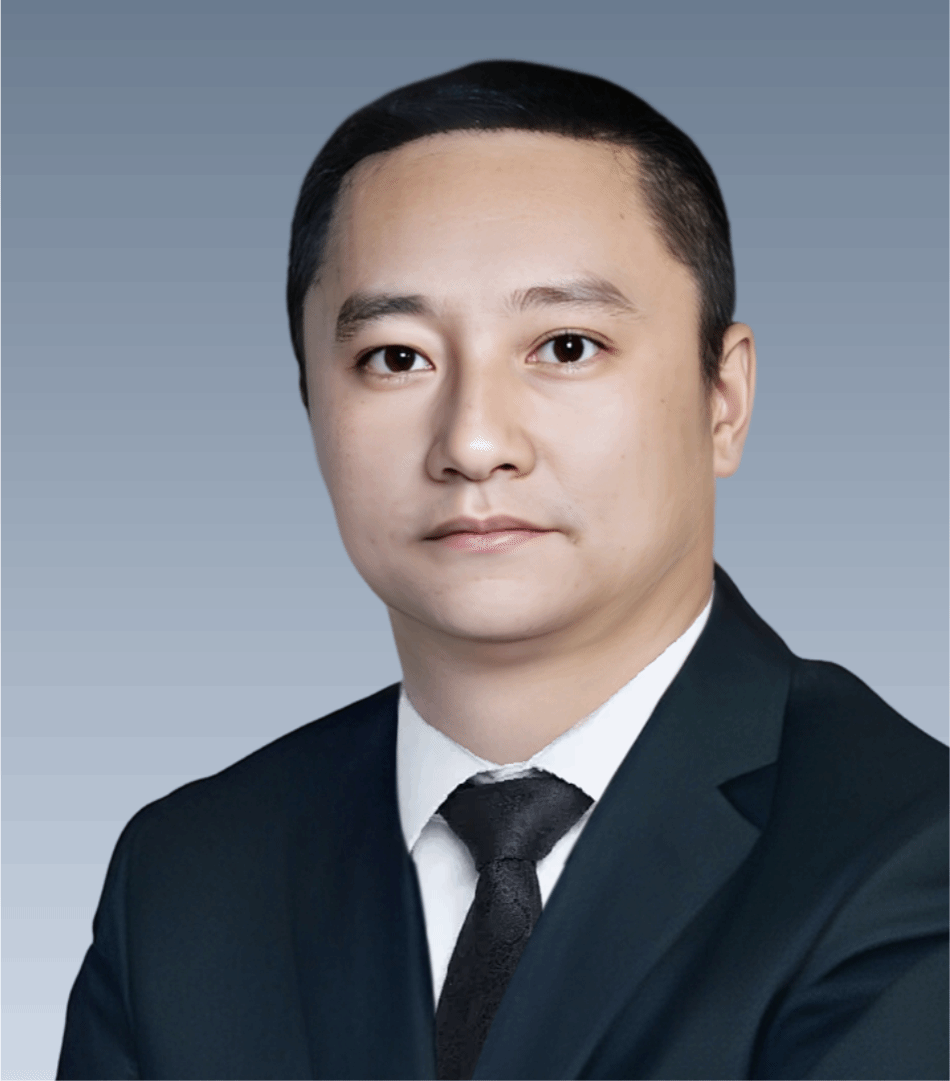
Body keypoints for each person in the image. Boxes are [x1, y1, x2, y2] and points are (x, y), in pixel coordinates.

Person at [57, 60, 947, 1081]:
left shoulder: (906, 849)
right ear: (310, 403)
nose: (474, 443)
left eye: (565, 346)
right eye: (396, 357)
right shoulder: (186, 878)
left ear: (723, 399)